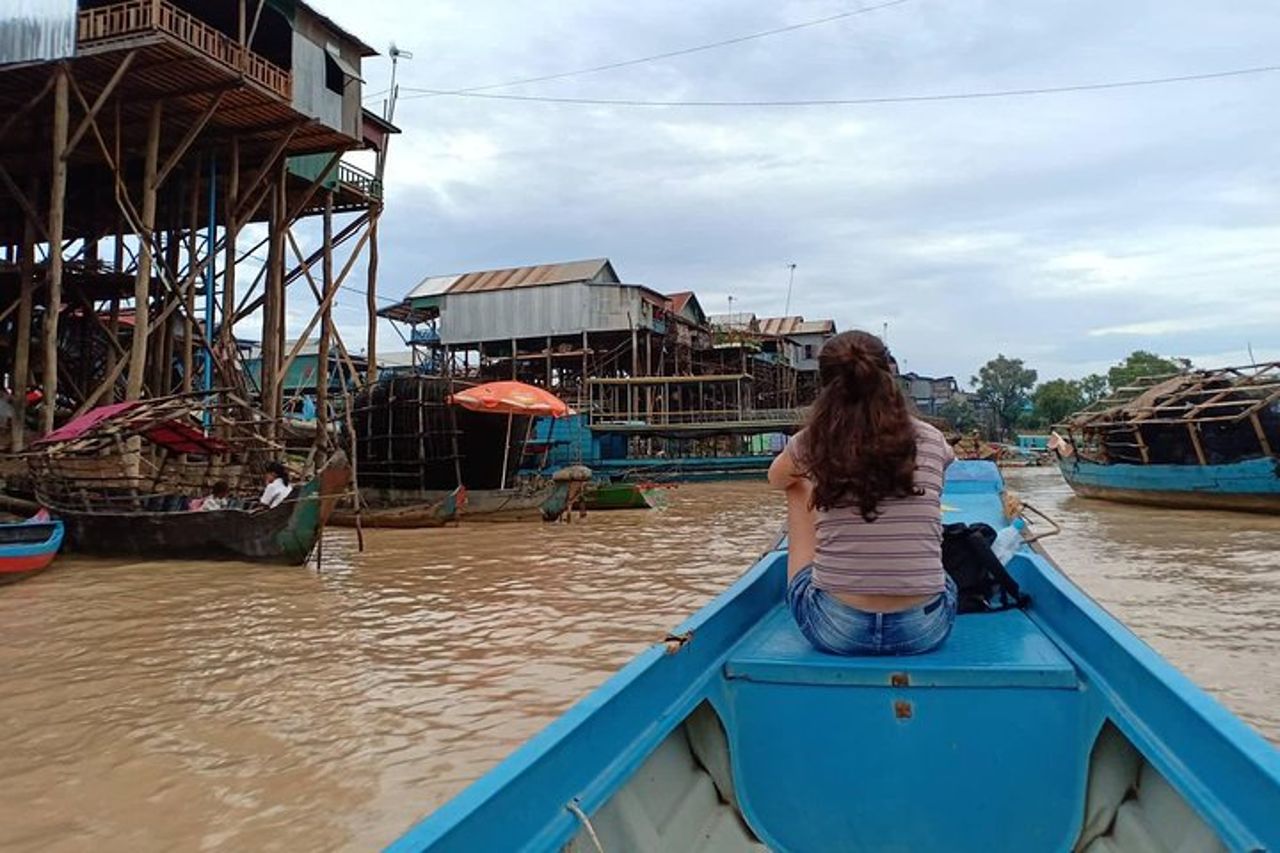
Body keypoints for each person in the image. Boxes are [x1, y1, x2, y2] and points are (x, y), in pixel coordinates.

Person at [768, 331, 957, 656]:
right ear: (888, 374)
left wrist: (823, 474)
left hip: (835, 629)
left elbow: (775, 478)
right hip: (922, 631)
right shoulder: (931, 438)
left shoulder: (811, 442)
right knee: (945, 580)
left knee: (796, 484)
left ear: (826, 386)